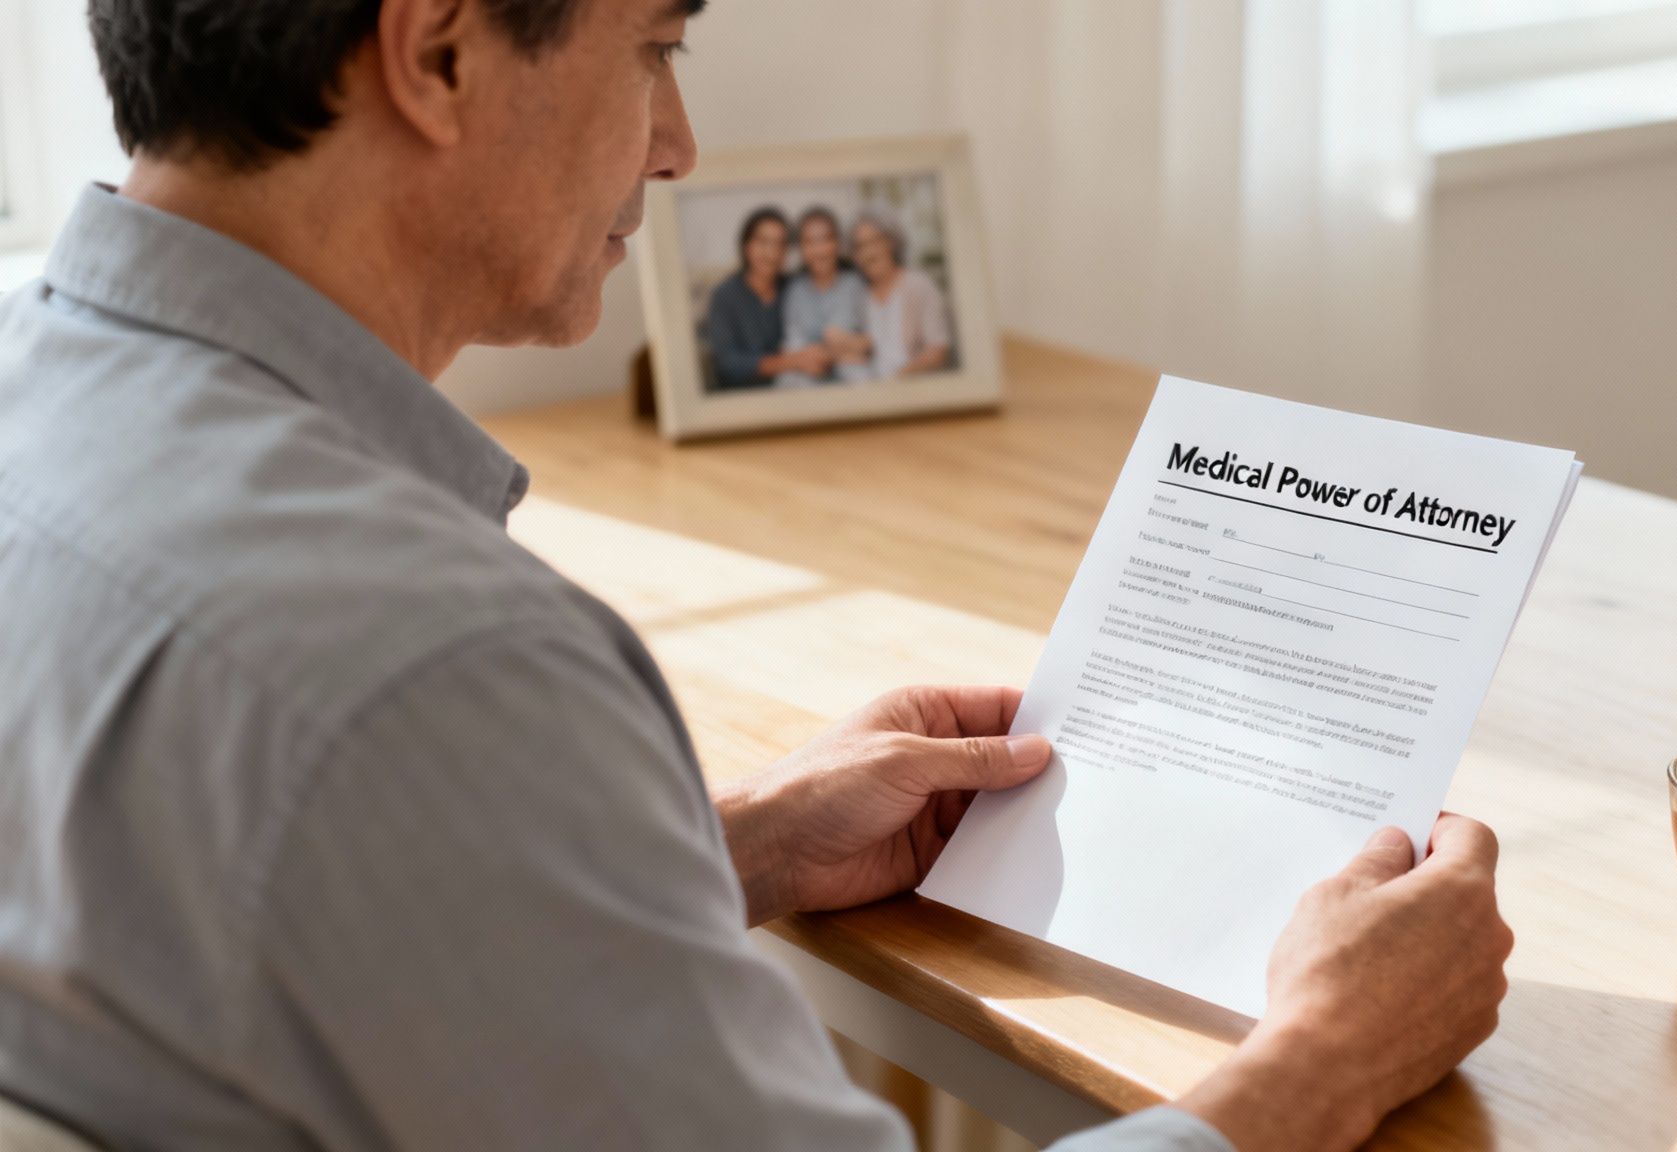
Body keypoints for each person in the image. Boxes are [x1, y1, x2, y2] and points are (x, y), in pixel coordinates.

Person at [0, 2, 1512, 1151]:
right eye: (655, 48)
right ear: (441, 52)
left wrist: (726, 848)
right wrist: (1322, 1057)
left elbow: (266, 916)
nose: (677, 143)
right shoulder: (435, 671)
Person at [701, 206, 828, 390]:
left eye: (780, 244)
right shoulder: (724, 296)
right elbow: (727, 364)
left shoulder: (794, 288)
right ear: (747, 245)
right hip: (743, 400)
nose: (771, 253)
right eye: (763, 242)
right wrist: (791, 361)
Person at [775, 205, 874, 387]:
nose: (819, 250)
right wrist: (840, 350)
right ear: (800, 249)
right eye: (809, 242)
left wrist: (851, 348)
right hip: (808, 372)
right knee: (787, 382)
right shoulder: (795, 291)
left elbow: (870, 342)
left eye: (825, 240)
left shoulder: (856, 285)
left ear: (838, 243)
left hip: (853, 371)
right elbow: (793, 347)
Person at [852, 208, 955, 377]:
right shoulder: (860, 297)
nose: (868, 253)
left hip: (915, 390)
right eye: (860, 246)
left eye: (875, 241)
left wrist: (899, 379)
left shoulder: (919, 286)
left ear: (892, 242)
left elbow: (938, 350)